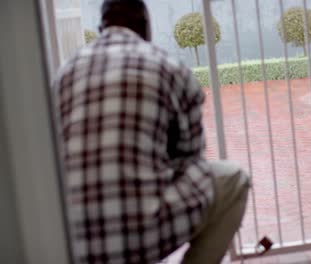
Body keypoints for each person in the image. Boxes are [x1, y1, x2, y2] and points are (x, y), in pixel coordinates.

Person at [53, 0, 250, 263]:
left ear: (101, 27)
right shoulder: (170, 68)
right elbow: (192, 160)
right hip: (141, 235)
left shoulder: (63, 73)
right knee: (234, 180)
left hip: (71, 238)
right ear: (146, 28)